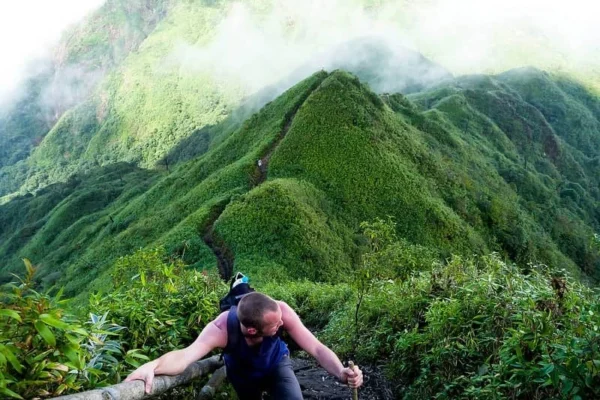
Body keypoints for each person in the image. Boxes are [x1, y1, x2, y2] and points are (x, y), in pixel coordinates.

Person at [125, 292, 363, 399]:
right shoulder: (220, 329)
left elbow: (317, 348)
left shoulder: (281, 311)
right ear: (252, 330)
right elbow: (186, 356)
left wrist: (341, 373)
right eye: (276, 325)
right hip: (241, 374)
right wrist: (153, 366)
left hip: (276, 364)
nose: (281, 324)